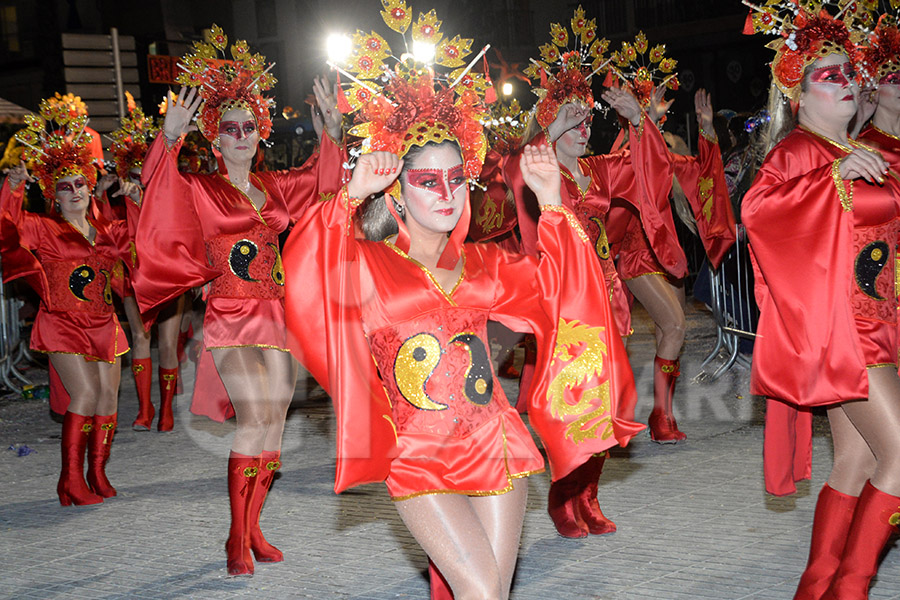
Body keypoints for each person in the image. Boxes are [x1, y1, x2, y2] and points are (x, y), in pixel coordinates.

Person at [284, 9, 643, 598]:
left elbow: (564, 290)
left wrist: (553, 203)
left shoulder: (485, 263)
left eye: (456, 178)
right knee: (479, 590)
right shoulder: (370, 265)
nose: (447, 194)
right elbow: (302, 274)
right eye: (427, 182)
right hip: (418, 456)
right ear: (395, 192)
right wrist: (347, 195)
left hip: (496, 443)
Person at [133, 26, 345, 576]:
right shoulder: (201, 188)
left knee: (274, 421)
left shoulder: (274, 187)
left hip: (276, 314)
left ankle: (254, 528)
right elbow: (157, 197)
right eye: (231, 129)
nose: (243, 136)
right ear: (215, 137)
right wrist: (169, 139)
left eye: (250, 127)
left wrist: (332, 131)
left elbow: (323, 189)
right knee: (254, 417)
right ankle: (234, 537)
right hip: (228, 316)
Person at [743, 5, 900, 599]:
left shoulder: (848, 150)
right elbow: (759, 212)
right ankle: (851, 588)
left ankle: (816, 589)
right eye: (829, 75)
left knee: (857, 462)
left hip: (880, 322)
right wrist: (830, 184)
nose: (848, 83)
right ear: (795, 90)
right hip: (846, 333)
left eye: (849, 73)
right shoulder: (799, 152)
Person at [0, 100, 132, 506]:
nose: (74, 192)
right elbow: (7, 230)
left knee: (109, 399)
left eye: (80, 184)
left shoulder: (106, 228)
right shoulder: (43, 227)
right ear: (53, 193)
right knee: (86, 396)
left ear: (91, 184)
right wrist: (14, 188)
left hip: (104, 322)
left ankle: (97, 471)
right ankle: (69, 480)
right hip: (61, 322)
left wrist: (137, 196)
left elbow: (148, 241)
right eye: (64, 186)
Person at [95, 100, 185, 431]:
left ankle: (166, 410)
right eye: (133, 175)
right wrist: (101, 195)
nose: (138, 180)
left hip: (169, 271)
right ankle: (146, 409)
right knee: (140, 336)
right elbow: (101, 232)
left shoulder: (169, 192)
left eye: (143, 175)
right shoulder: (122, 206)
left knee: (168, 342)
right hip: (133, 273)